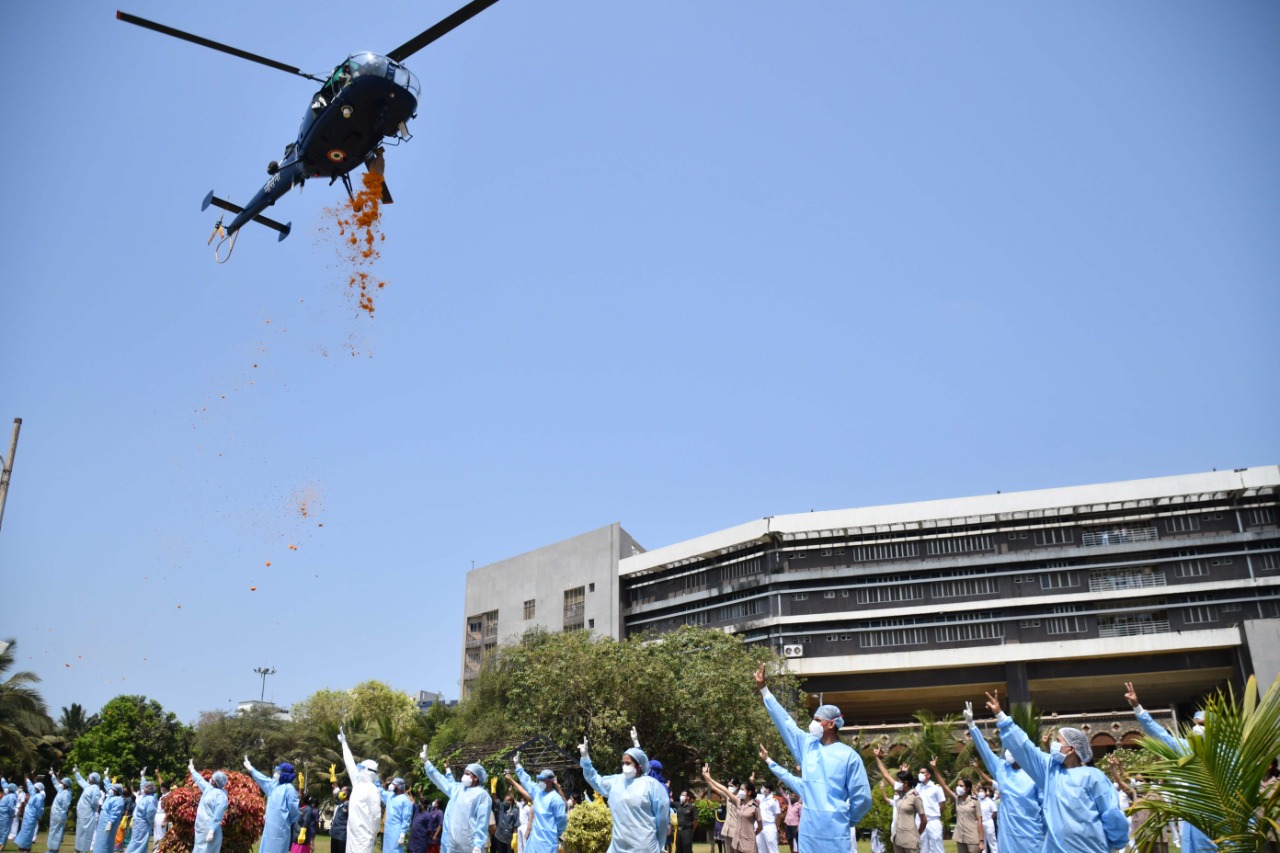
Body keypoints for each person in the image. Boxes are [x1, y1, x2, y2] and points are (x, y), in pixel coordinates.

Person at [985, 690, 1127, 853]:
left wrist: (1118, 841)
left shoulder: (1094, 777)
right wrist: (1001, 717)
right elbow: (1025, 748)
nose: (1054, 744)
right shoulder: (1049, 771)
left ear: (1071, 749)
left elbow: (1112, 814)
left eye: (1058, 741)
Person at [755, 664, 871, 853]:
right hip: (809, 833)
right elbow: (785, 722)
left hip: (836, 834)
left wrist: (849, 818)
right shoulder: (807, 746)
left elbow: (862, 797)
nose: (812, 724)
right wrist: (764, 689)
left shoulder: (849, 756)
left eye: (818, 720)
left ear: (831, 724)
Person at [1124, 683, 1217, 853]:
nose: (1197, 728)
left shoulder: (1228, 753)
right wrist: (1137, 706)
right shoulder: (1186, 748)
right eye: (1196, 724)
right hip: (1196, 819)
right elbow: (1159, 734)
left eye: (1202, 724)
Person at [963, 703, 1040, 853]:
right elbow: (984, 750)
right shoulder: (1002, 768)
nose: (1008, 751)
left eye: (1012, 747)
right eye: (1007, 747)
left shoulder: (1035, 772)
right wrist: (972, 725)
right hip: (1007, 836)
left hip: (1032, 837)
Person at [580, 737, 669, 853]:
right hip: (618, 846)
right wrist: (586, 758)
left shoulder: (652, 786)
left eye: (628, 763)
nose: (624, 766)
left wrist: (659, 843)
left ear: (639, 766)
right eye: (623, 763)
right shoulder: (616, 782)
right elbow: (596, 781)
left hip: (644, 847)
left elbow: (662, 819)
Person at [421, 747, 492, 853]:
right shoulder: (457, 789)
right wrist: (426, 762)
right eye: (464, 773)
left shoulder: (482, 795)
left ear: (476, 778)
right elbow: (440, 779)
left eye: (467, 774)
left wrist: (478, 845)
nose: (464, 776)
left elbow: (482, 822)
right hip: (452, 845)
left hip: (470, 846)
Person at [338, 727, 385, 853]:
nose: (358, 770)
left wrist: (373, 835)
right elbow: (350, 764)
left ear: (369, 772)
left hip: (364, 840)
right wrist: (344, 743)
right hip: (352, 837)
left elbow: (376, 816)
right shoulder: (358, 784)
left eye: (361, 768)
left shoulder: (373, 791)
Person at [511, 755, 566, 853]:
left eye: (542, 780)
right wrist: (517, 765)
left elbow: (562, 820)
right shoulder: (538, 791)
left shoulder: (556, 800)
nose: (540, 782)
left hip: (548, 841)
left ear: (549, 782)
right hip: (535, 839)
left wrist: (554, 833)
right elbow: (526, 781)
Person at [245, 759, 300, 853]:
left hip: (281, 829)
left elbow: (294, 810)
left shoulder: (289, 789)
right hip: (269, 828)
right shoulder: (274, 785)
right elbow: (263, 779)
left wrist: (285, 820)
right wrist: (251, 769)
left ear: (285, 774)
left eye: (278, 772)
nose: (275, 773)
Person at [702, 767, 759, 853]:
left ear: (737, 787)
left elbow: (751, 794)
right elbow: (714, 787)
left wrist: (752, 782)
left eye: (731, 786)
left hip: (738, 831)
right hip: (727, 830)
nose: (729, 787)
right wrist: (705, 776)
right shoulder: (728, 796)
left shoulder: (741, 799)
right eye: (728, 785)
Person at [928, 765, 981, 853]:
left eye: (961, 786)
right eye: (958, 785)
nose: (958, 787)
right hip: (960, 836)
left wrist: (982, 840)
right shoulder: (957, 799)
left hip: (972, 836)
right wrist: (935, 769)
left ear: (967, 788)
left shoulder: (975, 801)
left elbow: (979, 821)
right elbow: (944, 786)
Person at [188, 762, 229, 853]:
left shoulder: (221, 797)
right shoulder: (209, 789)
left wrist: (211, 830)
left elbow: (218, 815)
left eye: (212, 778)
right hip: (201, 828)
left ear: (214, 781)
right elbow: (200, 781)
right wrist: (192, 770)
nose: (211, 779)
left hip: (210, 831)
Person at [885, 773, 925, 853]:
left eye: (898, 781)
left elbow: (924, 819)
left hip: (910, 839)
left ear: (906, 783)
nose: (896, 783)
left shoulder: (915, 796)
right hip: (898, 838)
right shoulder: (901, 793)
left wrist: (918, 833)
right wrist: (877, 760)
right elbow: (886, 776)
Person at [73, 770, 106, 853]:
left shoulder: (95, 789)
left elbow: (95, 802)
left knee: (85, 832)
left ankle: (83, 850)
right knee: (80, 832)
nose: (87, 778)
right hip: (82, 814)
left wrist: (93, 810)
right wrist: (76, 773)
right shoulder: (88, 787)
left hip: (87, 814)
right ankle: (78, 849)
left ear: (92, 779)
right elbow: (81, 781)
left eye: (89, 777)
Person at [122, 775, 156, 853]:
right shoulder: (145, 797)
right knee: (137, 842)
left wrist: (150, 823)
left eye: (145, 788)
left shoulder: (150, 799)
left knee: (138, 843)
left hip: (143, 825)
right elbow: (143, 785)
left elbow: (150, 814)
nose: (142, 789)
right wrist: (143, 776)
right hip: (138, 824)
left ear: (148, 790)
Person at [15, 779, 46, 853]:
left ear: (38, 789)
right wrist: (28, 780)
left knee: (28, 832)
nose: (34, 789)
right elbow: (31, 787)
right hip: (27, 816)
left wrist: (38, 816)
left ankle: (26, 848)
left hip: (32, 817)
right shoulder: (34, 794)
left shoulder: (39, 797)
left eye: (35, 788)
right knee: (24, 831)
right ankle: (22, 846)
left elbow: (40, 809)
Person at [383, 780, 414, 853]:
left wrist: (402, 834)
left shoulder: (405, 801)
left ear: (399, 786)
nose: (391, 785)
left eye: (393, 784)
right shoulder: (390, 796)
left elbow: (406, 819)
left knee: (395, 850)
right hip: (388, 830)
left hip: (397, 831)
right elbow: (381, 792)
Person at [93, 786, 126, 853]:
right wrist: (106, 777)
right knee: (100, 841)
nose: (110, 790)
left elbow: (115, 812)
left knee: (106, 841)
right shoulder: (110, 797)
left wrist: (110, 822)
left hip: (109, 823)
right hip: (103, 823)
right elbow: (108, 785)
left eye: (112, 789)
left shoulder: (118, 800)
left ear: (116, 791)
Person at [47, 773, 74, 853]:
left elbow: (65, 807)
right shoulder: (61, 791)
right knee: (52, 832)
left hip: (59, 817)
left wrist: (62, 817)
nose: (60, 784)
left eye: (62, 783)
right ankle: (51, 849)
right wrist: (52, 775)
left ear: (66, 785)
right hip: (55, 815)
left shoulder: (67, 794)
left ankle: (54, 850)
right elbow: (56, 783)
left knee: (56, 833)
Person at [756, 781, 780, 853]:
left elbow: (778, 815)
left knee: (772, 848)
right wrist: (752, 781)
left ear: (768, 789)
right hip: (760, 826)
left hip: (770, 825)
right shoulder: (761, 797)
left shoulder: (773, 800)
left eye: (764, 787)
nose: (762, 789)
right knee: (760, 846)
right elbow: (753, 793)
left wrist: (776, 827)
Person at [330, 787, 351, 853]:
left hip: (342, 835)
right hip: (334, 834)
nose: (340, 792)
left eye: (342, 791)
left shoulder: (350, 805)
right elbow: (335, 790)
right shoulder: (340, 803)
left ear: (347, 793)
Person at [0, 784, 17, 852]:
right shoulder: (11, 796)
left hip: (4, 814)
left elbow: (9, 807)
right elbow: (11, 807)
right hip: (5, 815)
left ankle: (1, 844)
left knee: (2, 830)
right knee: (5, 830)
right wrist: (12, 815)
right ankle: (1, 845)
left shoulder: (8, 796)